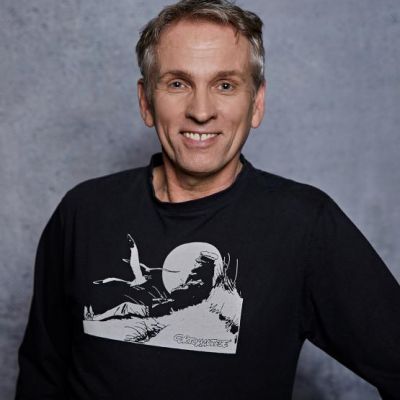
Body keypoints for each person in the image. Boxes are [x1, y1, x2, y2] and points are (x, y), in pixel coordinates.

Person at [15, 1, 400, 399]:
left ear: (257, 103)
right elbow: (41, 375)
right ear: (146, 102)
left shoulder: (303, 225)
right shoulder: (84, 213)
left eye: (225, 85)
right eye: (178, 83)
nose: (201, 111)